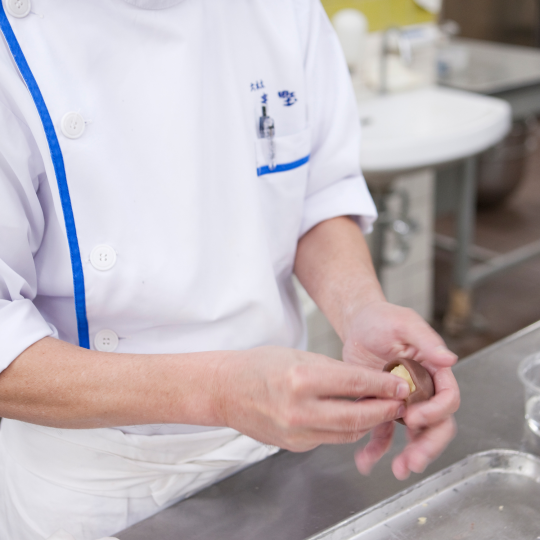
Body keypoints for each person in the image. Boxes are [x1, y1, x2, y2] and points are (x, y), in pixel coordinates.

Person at [0, 0, 460, 538]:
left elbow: (312, 191)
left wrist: (360, 308)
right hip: (101, 484)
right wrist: (221, 392)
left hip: (278, 454)